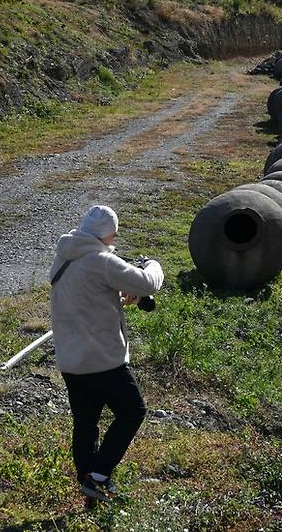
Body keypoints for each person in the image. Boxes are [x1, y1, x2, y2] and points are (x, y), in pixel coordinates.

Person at [50, 203, 164, 501]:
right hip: (101, 359)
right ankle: (99, 473)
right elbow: (147, 282)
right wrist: (151, 264)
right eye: (113, 236)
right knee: (133, 411)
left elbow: (89, 297)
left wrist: (117, 300)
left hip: (71, 359)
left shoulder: (65, 256)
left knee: (86, 422)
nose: (113, 242)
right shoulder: (101, 261)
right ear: (107, 235)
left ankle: (89, 483)